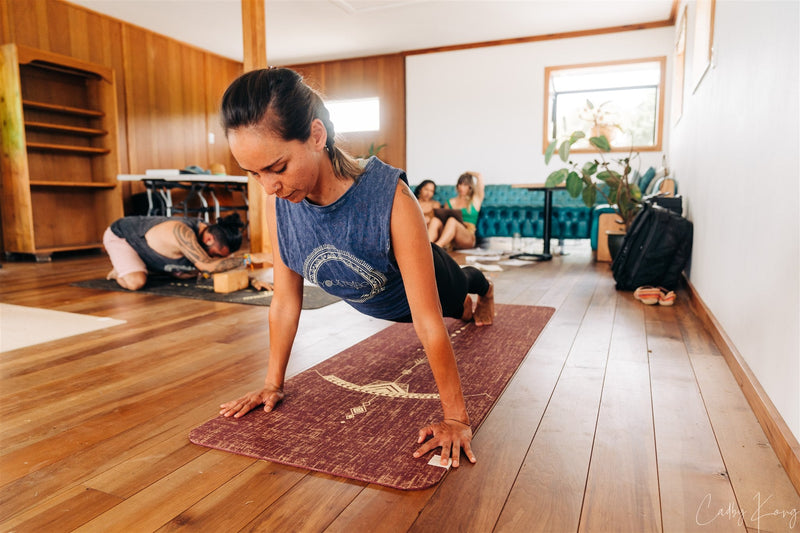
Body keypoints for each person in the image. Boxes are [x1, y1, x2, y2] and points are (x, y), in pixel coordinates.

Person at [217, 67, 495, 468]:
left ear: (316, 135)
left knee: (461, 298)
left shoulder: (392, 198)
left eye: (276, 168)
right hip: (374, 299)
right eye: (254, 173)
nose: (268, 187)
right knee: (457, 312)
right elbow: (283, 302)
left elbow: (428, 322)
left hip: (423, 287)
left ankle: (485, 291)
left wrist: (456, 418)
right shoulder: (283, 203)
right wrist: (271, 385)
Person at [103, 212, 256, 291]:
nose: (215, 258)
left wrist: (251, 280)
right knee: (136, 282)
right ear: (208, 239)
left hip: (156, 255)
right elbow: (209, 266)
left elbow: (224, 265)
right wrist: (252, 258)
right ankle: (120, 271)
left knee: (188, 274)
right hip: (123, 237)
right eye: (215, 254)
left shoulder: (211, 237)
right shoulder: (181, 231)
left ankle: (135, 265)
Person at [427, 171, 485, 250]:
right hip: (449, 237)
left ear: (470, 187)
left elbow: (479, 175)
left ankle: (437, 248)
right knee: (435, 220)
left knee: (452, 221)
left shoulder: (475, 200)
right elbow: (443, 220)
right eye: (460, 184)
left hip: (467, 236)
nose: (461, 187)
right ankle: (427, 247)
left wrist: (468, 172)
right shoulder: (450, 202)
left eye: (465, 185)